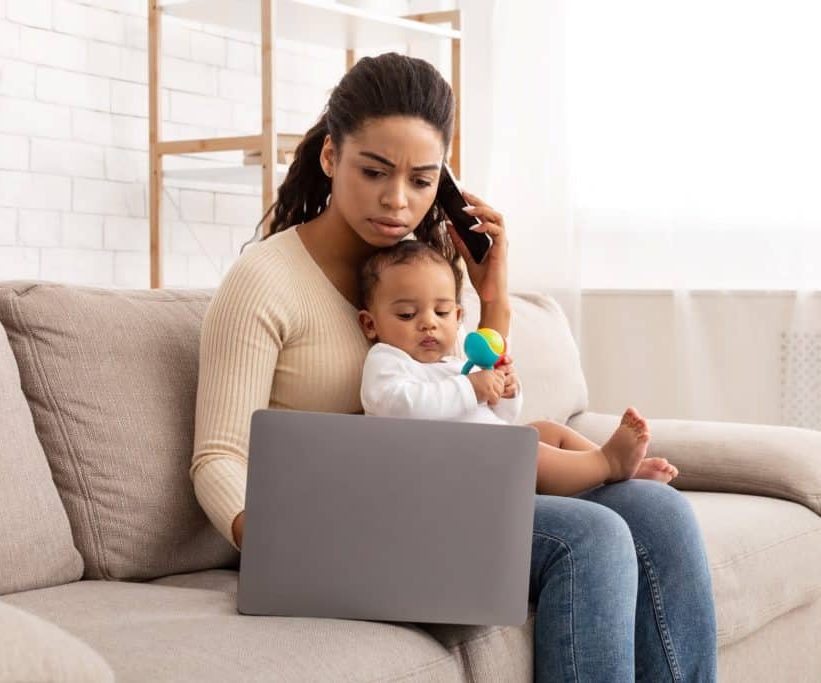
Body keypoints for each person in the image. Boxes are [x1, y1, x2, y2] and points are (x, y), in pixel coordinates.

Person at [190, 51, 718, 681]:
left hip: (442, 495)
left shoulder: (421, 274)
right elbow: (217, 455)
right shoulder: (264, 281)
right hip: (350, 523)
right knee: (590, 537)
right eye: (374, 171)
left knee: (661, 512)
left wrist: (493, 296)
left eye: (421, 180)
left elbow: (470, 394)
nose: (397, 200)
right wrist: (278, 542)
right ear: (330, 157)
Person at [356, 239, 680, 496]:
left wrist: (504, 392)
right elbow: (396, 407)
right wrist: (471, 388)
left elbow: (500, 418)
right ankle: (607, 463)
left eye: (441, 313)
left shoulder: (454, 365)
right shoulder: (387, 360)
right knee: (523, 451)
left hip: (491, 454)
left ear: (457, 318)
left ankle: (621, 469)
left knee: (544, 431)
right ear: (370, 324)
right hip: (452, 475)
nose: (428, 324)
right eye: (407, 315)